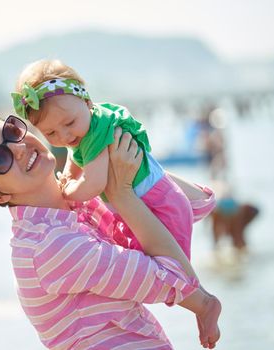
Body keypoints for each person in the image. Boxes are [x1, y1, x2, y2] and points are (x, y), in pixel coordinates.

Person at [0, 113, 221, 349]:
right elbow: (174, 279)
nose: (18, 147)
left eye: (11, 131)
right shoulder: (50, 246)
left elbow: (195, 205)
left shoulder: (75, 200)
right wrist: (120, 193)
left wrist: (117, 158)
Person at [11, 59, 213, 261]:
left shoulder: (97, 134)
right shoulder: (89, 124)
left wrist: (66, 189)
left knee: (171, 274)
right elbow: (75, 153)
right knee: (157, 271)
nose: (64, 136)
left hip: (159, 208)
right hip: (150, 203)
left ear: (87, 102)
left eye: (69, 123)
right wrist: (68, 174)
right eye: (50, 133)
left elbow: (93, 185)